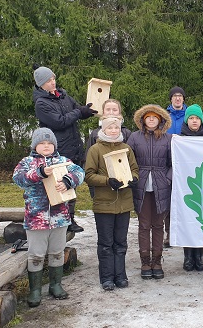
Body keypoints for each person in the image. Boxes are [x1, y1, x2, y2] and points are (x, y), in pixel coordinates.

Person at [13, 128, 85, 307]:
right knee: (36, 254)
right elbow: (19, 178)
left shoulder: (63, 161)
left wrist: (69, 181)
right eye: (42, 143)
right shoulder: (27, 162)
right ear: (35, 145)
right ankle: (35, 290)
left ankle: (56, 285)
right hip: (36, 218)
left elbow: (79, 173)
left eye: (49, 143)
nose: (46, 146)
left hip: (60, 217)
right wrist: (40, 173)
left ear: (54, 145)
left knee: (57, 252)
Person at [33, 65, 96, 233]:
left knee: (72, 183)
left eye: (53, 78)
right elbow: (59, 122)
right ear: (41, 85)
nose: (52, 82)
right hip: (59, 151)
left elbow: (77, 109)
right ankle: (61, 218)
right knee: (60, 185)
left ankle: (71, 218)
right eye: (48, 81)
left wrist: (86, 111)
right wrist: (78, 113)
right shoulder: (41, 103)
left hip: (74, 146)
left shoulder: (63, 95)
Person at [85, 116, 140, 291]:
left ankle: (120, 275)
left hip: (124, 203)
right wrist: (107, 181)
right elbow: (89, 175)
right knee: (106, 242)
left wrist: (134, 179)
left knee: (121, 242)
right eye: (110, 128)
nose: (114, 130)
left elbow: (134, 169)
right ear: (104, 130)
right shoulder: (95, 149)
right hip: (104, 204)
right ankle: (107, 277)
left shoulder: (126, 148)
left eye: (116, 127)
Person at [127, 105, 173, 280]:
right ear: (143, 120)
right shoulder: (134, 137)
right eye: (148, 117)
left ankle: (157, 261)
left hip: (162, 184)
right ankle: (145, 262)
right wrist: (134, 177)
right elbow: (128, 159)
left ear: (160, 120)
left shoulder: (168, 139)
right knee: (144, 225)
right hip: (142, 184)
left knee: (159, 224)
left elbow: (173, 162)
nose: (152, 119)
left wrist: (167, 179)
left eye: (155, 117)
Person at [179, 104, 203, 271]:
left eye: (197, 118)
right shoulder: (179, 139)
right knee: (188, 221)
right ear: (187, 120)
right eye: (191, 118)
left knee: (201, 220)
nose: (194, 121)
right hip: (186, 185)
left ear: (201, 120)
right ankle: (187, 258)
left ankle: (199, 257)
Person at [84, 99, 133, 200]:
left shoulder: (126, 133)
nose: (111, 112)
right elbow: (88, 161)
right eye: (108, 109)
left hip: (123, 183)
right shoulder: (95, 133)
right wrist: (92, 187)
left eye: (114, 110)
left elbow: (132, 159)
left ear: (119, 112)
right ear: (103, 112)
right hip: (102, 186)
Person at [165, 86, 187, 247]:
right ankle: (169, 234)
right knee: (169, 201)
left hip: (186, 163)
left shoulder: (190, 115)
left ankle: (186, 232)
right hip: (168, 162)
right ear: (171, 99)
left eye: (180, 96)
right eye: (175, 96)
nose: (177, 99)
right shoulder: (165, 117)